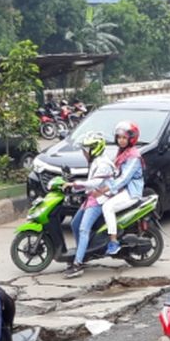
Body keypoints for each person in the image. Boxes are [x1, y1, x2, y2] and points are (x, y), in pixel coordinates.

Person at [63, 132, 115, 279]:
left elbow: (94, 183)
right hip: (91, 198)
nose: (83, 153)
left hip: (99, 200)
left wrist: (75, 184)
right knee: (74, 224)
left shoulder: (103, 164)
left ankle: (78, 264)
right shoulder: (96, 162)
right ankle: (84, 253)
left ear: (94, 150)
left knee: (83, 229)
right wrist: (72, 186)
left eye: (85, 150)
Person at [94, 120, 145, 256]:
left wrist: (106, 189)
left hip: (130, 192)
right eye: (119, 137)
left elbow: (124, 178)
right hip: (120, 191)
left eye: (124, 138)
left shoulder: (133, 156)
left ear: (131, 139)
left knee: (107, 207)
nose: (121, 140)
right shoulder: (123, 153)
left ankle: (113, 241)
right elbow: (114, 173)